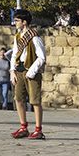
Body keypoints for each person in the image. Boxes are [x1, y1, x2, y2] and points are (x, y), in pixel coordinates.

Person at [8, 8, 47, 140]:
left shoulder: (34, 36)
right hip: (19, 70)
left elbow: (41, 57)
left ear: (24, 22)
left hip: (31, 71)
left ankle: (38, 129)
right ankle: (23, 127)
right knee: (18, 99)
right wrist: (12, 71)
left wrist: (32, 71)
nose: (15, 23)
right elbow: (14, 54)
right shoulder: (18, 37)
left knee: (35, 101)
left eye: (17, 20)